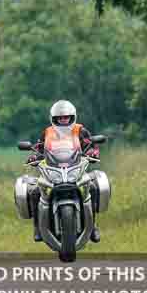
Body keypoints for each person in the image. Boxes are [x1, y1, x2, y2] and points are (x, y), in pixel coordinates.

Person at [27, 100, 101, 243]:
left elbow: (90, 144)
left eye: (66, 117)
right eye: (60, 118)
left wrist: (93, 152)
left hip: (76, 169)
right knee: (35, 192)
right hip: (53, 170)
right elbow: (39, 147)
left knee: (92, 187)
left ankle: (93, 227)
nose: (63, 120)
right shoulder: (47, 132)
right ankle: (37, 228)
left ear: (72, 117)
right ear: (54, 118)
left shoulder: (80, 130)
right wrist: (34, 155)